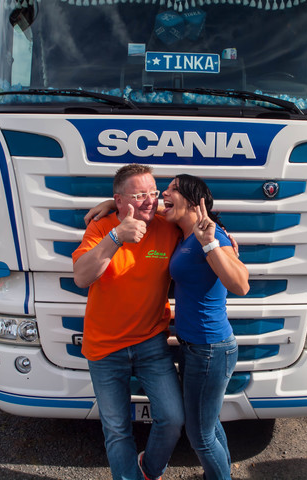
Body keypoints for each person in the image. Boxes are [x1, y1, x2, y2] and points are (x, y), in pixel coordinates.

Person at [72, 164, 184, 480]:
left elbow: (198, 214)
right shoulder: (100, 228)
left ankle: (149, 469)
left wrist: (224, 238)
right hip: (105, 348)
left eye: (153, 193)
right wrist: (116, 236)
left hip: (151, 342)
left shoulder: (165, 224)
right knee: (117, 428)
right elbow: (82, 276)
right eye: (139, 195)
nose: (150, 201)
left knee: (173, 418)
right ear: (119, 200)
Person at [162, 174, 249, 480]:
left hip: (210, 348)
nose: (164, 192)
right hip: (193, 346)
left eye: (172, 188)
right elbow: (141, 207)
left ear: (191, 199)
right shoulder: (184, 235)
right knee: (208, 426)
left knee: (199, 435)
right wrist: (111, 202)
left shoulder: (212, 237)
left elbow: (240, 285)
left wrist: (210, 243)